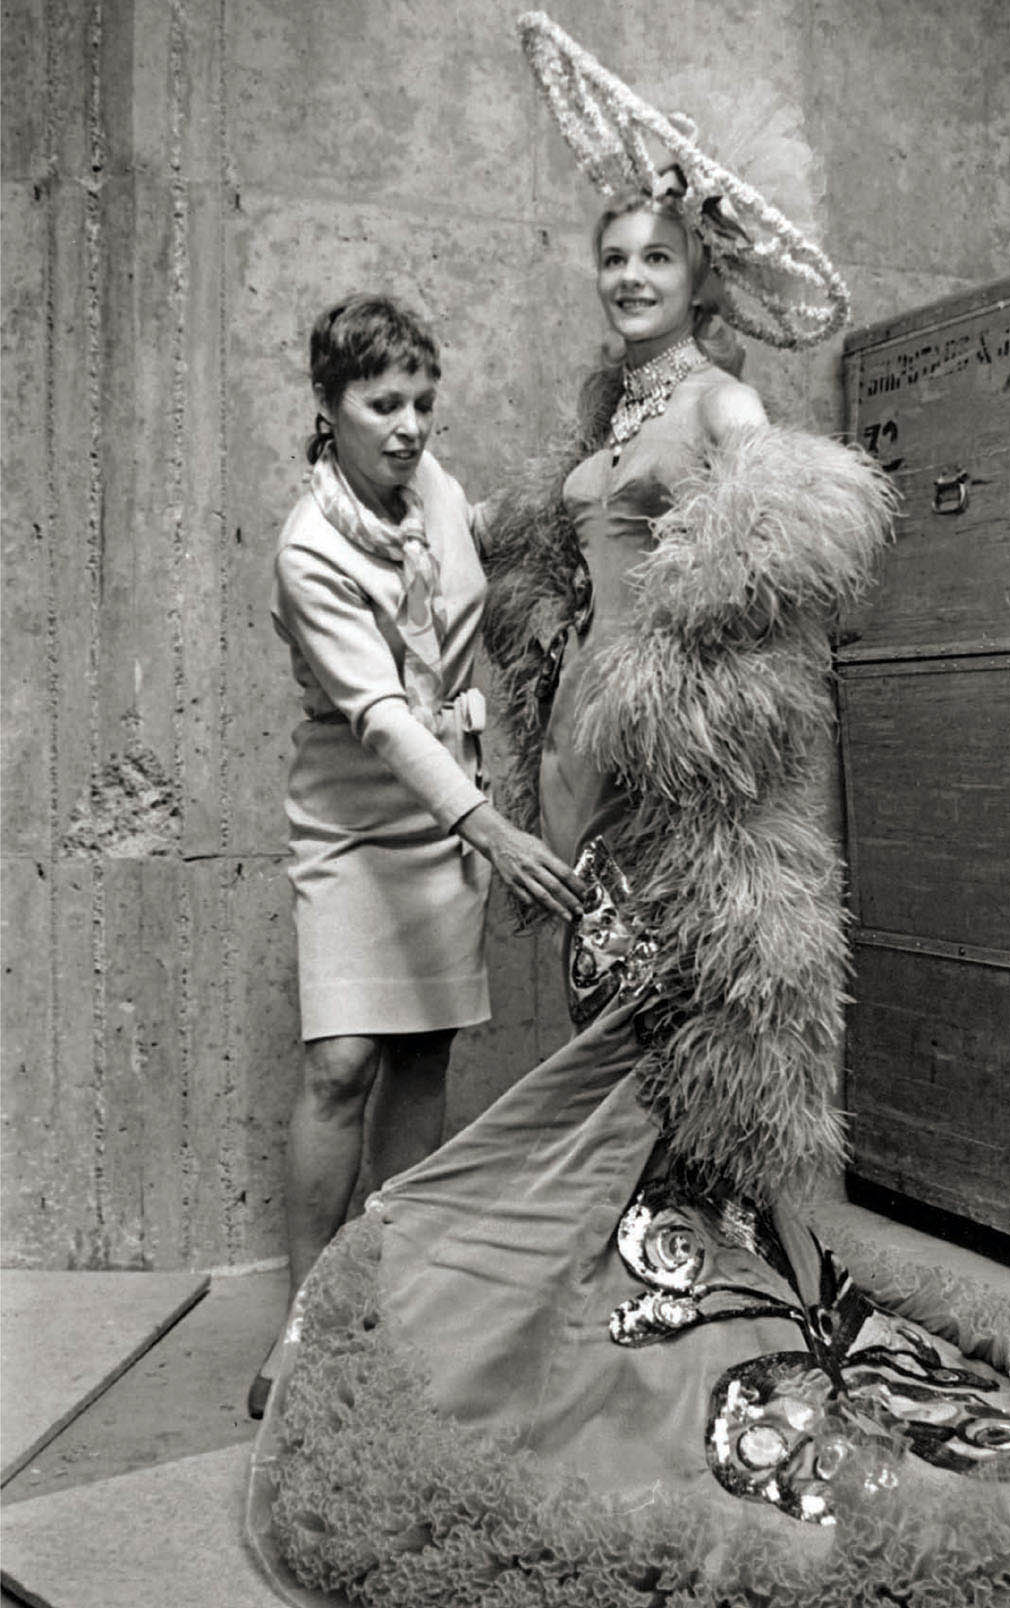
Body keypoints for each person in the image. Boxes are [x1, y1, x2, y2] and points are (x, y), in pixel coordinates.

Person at [246, 19, 1010, 1608]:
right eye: (612, 257)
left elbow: (758, 600)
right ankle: (570, 1317)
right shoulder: (613, 404)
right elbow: (564, 573)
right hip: (602, 809)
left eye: (654, 257)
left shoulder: (717, 400)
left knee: (642, 1105)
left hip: (678, 817)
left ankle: (636, 1358)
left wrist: (651, 735)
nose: (628, 277)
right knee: (624, 1110)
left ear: (697, 277)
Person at [252, 293, 581, 1416]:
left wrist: (585, 501)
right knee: (339, 1062)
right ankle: (305, 1328)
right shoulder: (309, 548)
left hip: (450, 807)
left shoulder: (428, 483)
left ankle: (383, 1304)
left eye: (422, 404)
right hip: (360, 815)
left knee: (423, 1057)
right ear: (327, 406)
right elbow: (384, 718)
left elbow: (464, 542)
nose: (406, 425)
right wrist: (487, 825)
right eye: (380, 402)